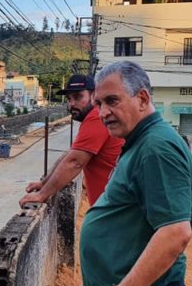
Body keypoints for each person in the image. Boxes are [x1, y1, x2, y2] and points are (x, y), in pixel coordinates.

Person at [81, 61, 192, 286]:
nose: (102, 113)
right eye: (99, 104)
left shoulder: (157, 148)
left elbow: (175, 232)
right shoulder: (141, 141)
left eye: (112, 101)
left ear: (142, 99)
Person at [19, 74, 123, 208]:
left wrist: (41, 195)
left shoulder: (96, 116)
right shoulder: (94, 117)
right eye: (69, 99)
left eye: (78, 97)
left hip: (114, 210)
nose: (72, 104)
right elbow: (71, 155)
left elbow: (74, 163)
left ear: (94, 96)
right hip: (112, 206)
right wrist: (44, 183)